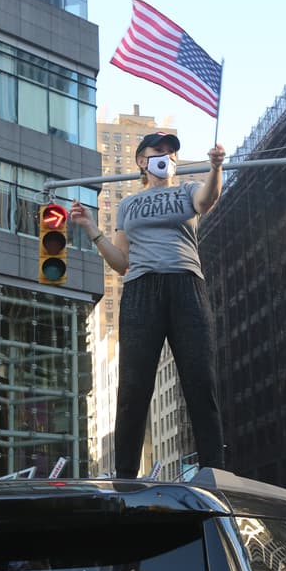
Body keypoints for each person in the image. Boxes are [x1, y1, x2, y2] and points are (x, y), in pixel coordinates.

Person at [71, 133, 226, 478]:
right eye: (159, 152)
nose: (167, 157)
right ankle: (125, 475)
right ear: (142, 160)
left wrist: (216, 167)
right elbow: (120, 261)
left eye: (171, 153)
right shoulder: (128, 205)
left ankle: (214, 470)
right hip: (140, 290)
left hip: (186, 285)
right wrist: (91, 228)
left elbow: (207, 200)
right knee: (133, 387)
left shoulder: (186, 191)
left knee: (200, 380)